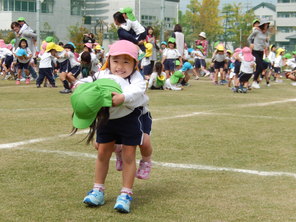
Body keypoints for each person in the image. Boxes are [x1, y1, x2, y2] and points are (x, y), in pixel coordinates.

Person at [73, 40, 148, 213]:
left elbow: (137, 91)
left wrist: (123, 97)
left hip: (130, 119)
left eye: (126, 61)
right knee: (102, 152)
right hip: (107, 120)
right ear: (109, 60)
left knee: (129, 155)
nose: (120, 66)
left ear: (135, 63)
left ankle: (126, 193)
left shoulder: (137, 78)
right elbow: (86, 81)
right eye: (116, 61)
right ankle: (98, 190)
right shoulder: (102, 74)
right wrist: (79, 87)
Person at [247, 19, 270, 89]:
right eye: (266, 24)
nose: (267, 26)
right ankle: (254, 82)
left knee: (260, 67)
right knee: (259, 65)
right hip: (255, 50)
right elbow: (249, 38)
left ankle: (254, 81)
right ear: (263, 25)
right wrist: (251, 44)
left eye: (267, 25)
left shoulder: (265, 33)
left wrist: (266, 44)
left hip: (261, 51)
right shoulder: (256, 31)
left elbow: (267, 42)